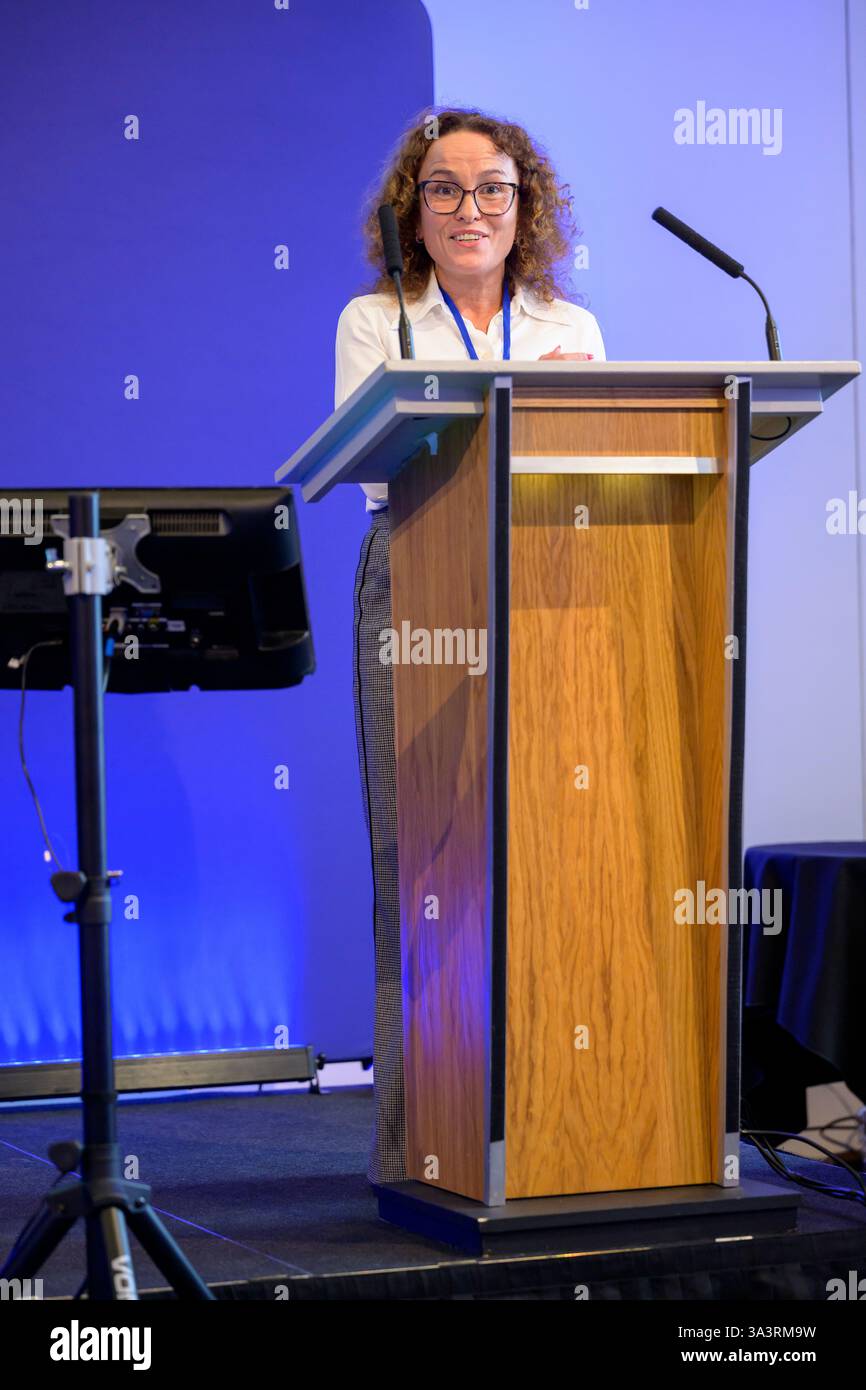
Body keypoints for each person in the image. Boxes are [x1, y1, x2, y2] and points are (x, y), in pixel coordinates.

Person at [335, 107, 606, 1185]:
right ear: (414, 210)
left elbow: (588, 463)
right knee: (420, 863)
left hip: (550, 585)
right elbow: (369, 462)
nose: (467, 209)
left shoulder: (567, 327)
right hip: (415, 572)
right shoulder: (378, 321)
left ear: (522, 203)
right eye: (442, 189)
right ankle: (418, 1143)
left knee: (548, 854)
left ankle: (556, 1120)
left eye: (489, 187)